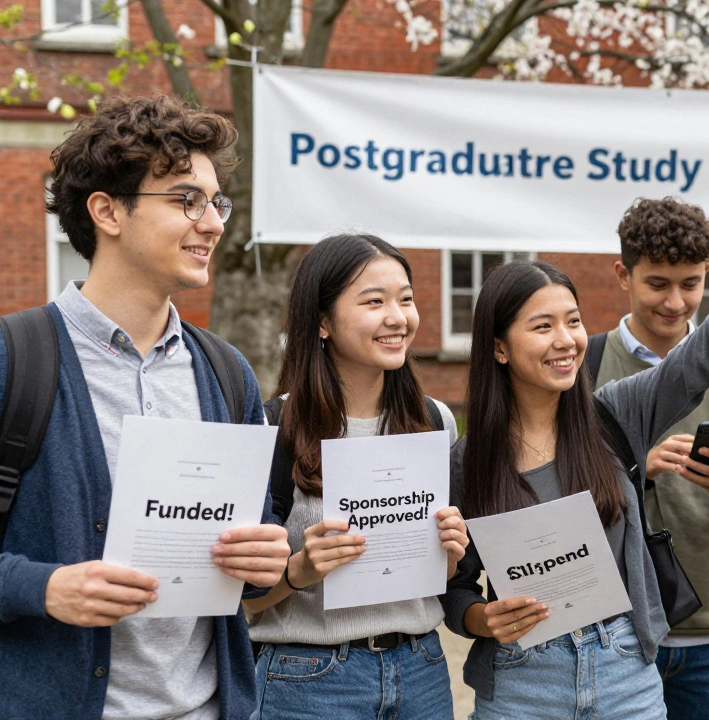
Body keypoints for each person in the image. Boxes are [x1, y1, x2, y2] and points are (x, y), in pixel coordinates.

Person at [0, 95, 291, 719]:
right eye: (187, 200)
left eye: (217, 203)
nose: (213, 222)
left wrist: (267, 560)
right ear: (106, 211)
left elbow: (255, 568)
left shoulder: (225, 371)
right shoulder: (13, 360)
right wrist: (43, 587)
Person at [441, 228, 709, 718]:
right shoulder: (466, 461)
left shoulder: (615, 414)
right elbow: (453, 588)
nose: (566, 341)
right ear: (499, 348)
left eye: (574, 321)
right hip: (522, 685)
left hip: (624, 672)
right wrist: (482, 619)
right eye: (543, 327)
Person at [244, 233, 468, 719]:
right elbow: (240, 603)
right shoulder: (271, 430)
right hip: (307, 680)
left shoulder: (435, 420)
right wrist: (300, 570)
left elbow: (440, 579)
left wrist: (450, 551)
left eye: (406, 299)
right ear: (322, 322)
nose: (398, 317)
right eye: (375, 301)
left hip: (422, 670)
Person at [588, 197, 709, 720]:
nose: (676, 302)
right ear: (622, 275)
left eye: (692, 284)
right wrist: (634, 467)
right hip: (615, 631)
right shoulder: (580, 369)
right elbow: (553, 496)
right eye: (658, 283)